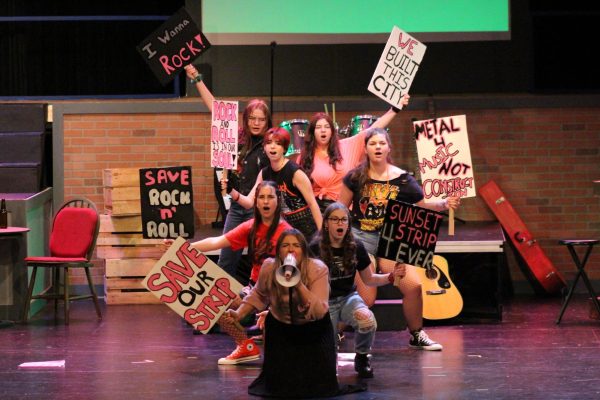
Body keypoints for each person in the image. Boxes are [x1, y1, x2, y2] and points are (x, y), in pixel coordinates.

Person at [339, 128, 461, 351]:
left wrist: (443, 204)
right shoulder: (355, 177)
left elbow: (423, 203)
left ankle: (416, 334)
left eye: (381, 143)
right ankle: (334, 334)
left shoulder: (402, 178)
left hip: (390, 240)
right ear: (365, 149)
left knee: (413, 286)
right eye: (372, 143)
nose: (377, 147)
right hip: (360, 239)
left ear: (388, 148)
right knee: (366, 297)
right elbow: (340, 209)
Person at [167, 181, 291, 364]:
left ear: (277, 201)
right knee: (213, 303)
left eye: (270, 197)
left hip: (280, 293)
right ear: (256, 201)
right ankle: (245, 346)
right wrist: (184, 247)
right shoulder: (251, 226)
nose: (266, 202)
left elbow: (292, 274)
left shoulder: (287, 232)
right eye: (262, 197)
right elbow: (217, 242)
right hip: (255, 291)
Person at [224, 229, 347, 398]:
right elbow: (258, 294)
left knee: (317, 389)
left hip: (312, 330)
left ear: (303, 250)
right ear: (278, 251)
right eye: (285, 245)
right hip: (281, 329)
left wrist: (298, 285)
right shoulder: (269, 266)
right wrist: (239, 313)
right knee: (279, 389)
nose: (291, 250)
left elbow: (319, 310)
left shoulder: (318, 269)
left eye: (296, 245)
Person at [185, 64, 271, 282]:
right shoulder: (237, 137)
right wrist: (197, 78)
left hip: (258, 210)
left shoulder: (272, 144)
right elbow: (215, 109)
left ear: (267, 121)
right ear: (246, 119)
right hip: (235, 207)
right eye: (253, 118)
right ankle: (223, 312)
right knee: (226, 261)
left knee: (259, 261)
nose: (256, 123)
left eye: (261, 119)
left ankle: (256, 311)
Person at [310, 202, 405, 378]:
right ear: (326, 223)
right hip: (323, 301)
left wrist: (391, 276)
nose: (340, 224)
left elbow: (369, 279)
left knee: (367, 320)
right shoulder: (315, 247)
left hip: (347, 298)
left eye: (344, 220)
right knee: (327, 346)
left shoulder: (356, 246)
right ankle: (327, 359)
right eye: (335, 220)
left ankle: (362, 358)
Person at [298, 95, 410, 213]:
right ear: (312, 132)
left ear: (332, 131)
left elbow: (373, 129)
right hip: (316, 209)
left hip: (344, 209)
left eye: (327, 127)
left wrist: (394, 109)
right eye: (318, 127)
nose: (323, 130)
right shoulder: (305, 156)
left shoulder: (347, 145)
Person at [228, 127, 322, 241]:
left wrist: (322, 235)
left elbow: (312, 204)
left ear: (284, 148)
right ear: (265, 147)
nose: (272, 146)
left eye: (278, 143)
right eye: (269, 143)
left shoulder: (295, 172)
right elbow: (249, 203)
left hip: (306, 231)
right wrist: (231, 191)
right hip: (284, 230)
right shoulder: (264, 173)